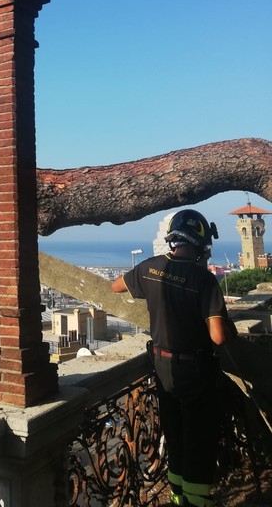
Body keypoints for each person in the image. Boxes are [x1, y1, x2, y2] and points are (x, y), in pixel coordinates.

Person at [111, 209, 235, 507]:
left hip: (162, 366)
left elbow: (115, 286)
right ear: (201, 244)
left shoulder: (149, 268)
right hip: (195, 369)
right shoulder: (203, 279)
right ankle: (197, 500)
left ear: (172, 239)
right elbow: (218, 336)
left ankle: (178, 496)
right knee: (198, 437)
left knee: (175, 433)